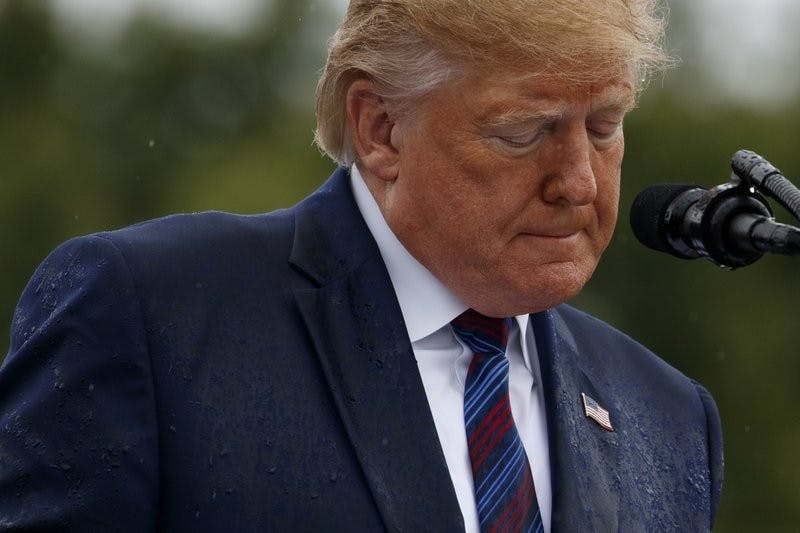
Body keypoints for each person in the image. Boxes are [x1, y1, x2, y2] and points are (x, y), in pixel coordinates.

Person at [0, 0, 722, 531]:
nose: (580, 182)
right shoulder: (149, 317)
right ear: (381, 130)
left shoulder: (669, 418)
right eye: (523, 132)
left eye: (603, 128)